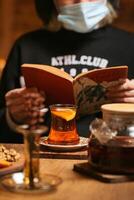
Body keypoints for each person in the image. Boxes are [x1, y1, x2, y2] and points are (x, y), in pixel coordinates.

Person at [0, 0, 134, 143]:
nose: (81, 1)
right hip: (42, 154)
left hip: (109, 155)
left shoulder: (130, 45)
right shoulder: (26, 46)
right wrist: (13, 117)